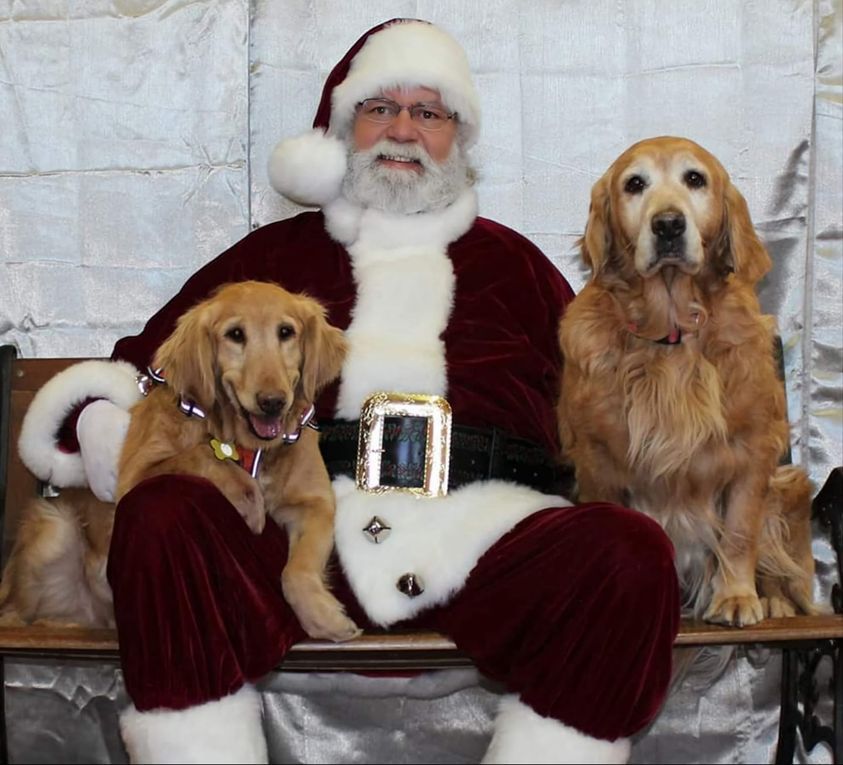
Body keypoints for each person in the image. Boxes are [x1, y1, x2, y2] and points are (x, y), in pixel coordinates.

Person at [19, 18, 679, 764]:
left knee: (629, 554)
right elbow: (134, 376)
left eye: (426, 113)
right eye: (379, 109)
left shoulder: (518, 266)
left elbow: (615, 394)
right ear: (341, 128)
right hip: (293, 528)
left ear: (456, 138)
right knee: (164, 517)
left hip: (485, 534)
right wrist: (109, 427)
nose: (401, 130)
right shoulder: (271, 256)